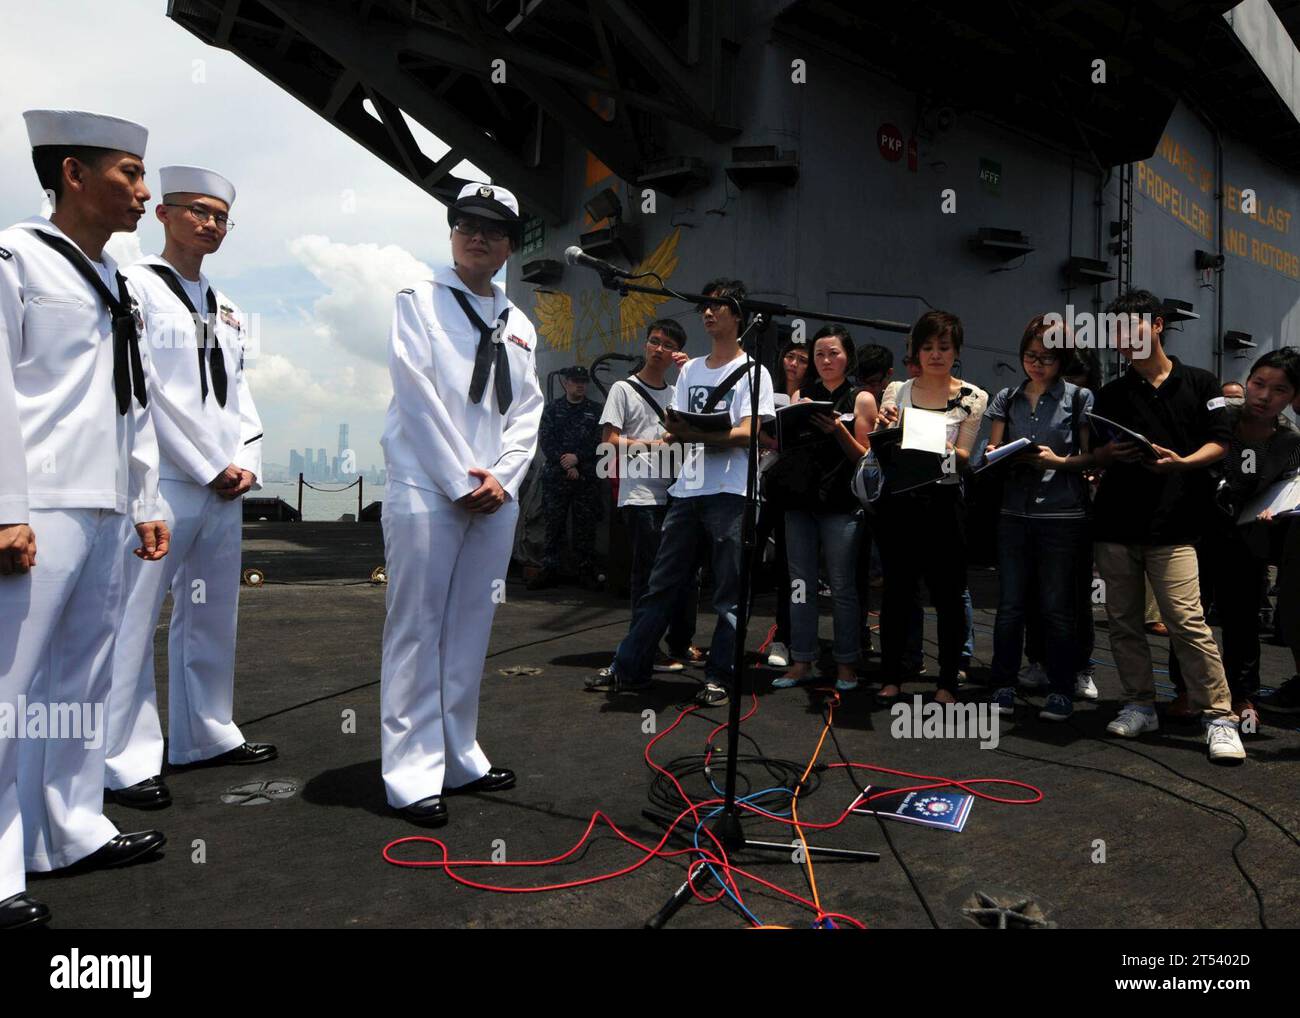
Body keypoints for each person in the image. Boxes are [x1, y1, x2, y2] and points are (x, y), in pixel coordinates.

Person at [0, 110, 171, 929]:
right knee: (9, 689)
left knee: (77, 685)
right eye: (129, 174)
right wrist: (4, 509)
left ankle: (67, 831)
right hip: (38, 504)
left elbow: (131, 403)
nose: (144, 191)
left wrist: (146, 499)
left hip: (104, 504)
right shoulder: (14, 258)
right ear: (73, 173)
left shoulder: (116, 280)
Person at [105, 166, 273, 812]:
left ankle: (205, 733)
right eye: (197, 211)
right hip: (165, 478)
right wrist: (209, 462)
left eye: (221, 217)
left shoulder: (226, 307)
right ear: (163, 216)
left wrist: (246, 458)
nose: (210, 224)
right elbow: (145, 387)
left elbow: (241, 392)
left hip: (225, 485)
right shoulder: (135, 289)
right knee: (133, 619)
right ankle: (122, 760)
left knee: (211, 614)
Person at [379, 182, 544, 826]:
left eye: (493, 230)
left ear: (508, 246)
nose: (478, 236)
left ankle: (457, 752)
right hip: (428, 486)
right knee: (417, 629)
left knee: (471, 626)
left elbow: (528, 409)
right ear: (452, 233)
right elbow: (414, 393)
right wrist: (460, 479)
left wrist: (502, 478)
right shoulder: (417, 300)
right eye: (466, 224)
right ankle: (410, 772)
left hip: (494, 494)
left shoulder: (520, 322)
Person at [589, 278, 775, 707]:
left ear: (738, 315)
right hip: (687, 491)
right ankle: (629, 666)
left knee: (729, 592)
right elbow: (681, 430)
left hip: (732, 491)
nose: (708, 313)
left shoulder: (755, 372)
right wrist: (684, 433)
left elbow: (750, 433)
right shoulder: (689, 370)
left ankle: (720, 676)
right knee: (662, 585)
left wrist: (694, 433)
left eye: (717, 306)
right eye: (704, 306)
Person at [1088, 289, 1243, 762]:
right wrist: (1105, 455)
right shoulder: (1110, 395)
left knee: (1187, 622)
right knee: (1123, 622)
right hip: (1116, 522)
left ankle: (1220, 717)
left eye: (1131, 327)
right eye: (1113, 333)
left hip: (1176, 526)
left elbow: (1222, 443)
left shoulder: (1201, 383)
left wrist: (1182, 463)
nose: (1122, 339)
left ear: (1156, 325)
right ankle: (1139, 703)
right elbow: (1096, 454)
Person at [1166, 349, 1300, 728]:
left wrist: (1278, 508)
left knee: (1242, 621)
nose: (1263, 396)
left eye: (1279, 389)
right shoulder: (1220, 416)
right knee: (1190, 616)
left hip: (1247, 538)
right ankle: (1186, 690)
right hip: (1196, 530)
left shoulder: (1290, 441)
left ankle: (1243, 696)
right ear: (1247, 381)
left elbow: (1288, 486)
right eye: (1258, 383)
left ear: (1292, 396)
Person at [985, 315, 1095, 722]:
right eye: (1031, 356)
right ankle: (1002, 684)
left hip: (1062, 513)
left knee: (1057, 606)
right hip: (1014, 511)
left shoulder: (1079, 399)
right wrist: (998, 458)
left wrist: (1058, 461)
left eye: (1048, 359)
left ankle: (1061, 688)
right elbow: (991, 450)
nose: (1037, 365)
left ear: (1062, 360)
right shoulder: (1006, 398)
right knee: (1011, 605)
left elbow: (1091, 457)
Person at [875, 311, 988, 704]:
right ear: (916, 352)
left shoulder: (973, 396)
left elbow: (964, 456)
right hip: (901, 501)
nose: (935, 354)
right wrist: (886, 426)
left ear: (956, 351)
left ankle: (947, 681)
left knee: (949, 594)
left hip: (944, 499)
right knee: (898, 593)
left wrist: (930, 441)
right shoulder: (897, 391)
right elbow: (885, 445)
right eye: (927, 347)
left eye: (944, 347)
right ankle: (891, 675)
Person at [771, 325, 875, 692]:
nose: (826, 360)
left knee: (843, 586)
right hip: (800, 499)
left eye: (833, 353)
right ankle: (802, 660)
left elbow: (865, 455)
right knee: (800, 583)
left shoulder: (861, 398)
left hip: (841, 503)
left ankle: (847, 664)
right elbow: (789, 445)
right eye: (819, 354)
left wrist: (838, 430)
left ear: (848, 355)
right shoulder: (803, 394)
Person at [597, 319, 701, 672]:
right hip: (641, 497)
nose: (659, 349)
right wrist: (652, 445)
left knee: (686, 574)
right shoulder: (622, 390)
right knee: (649, 576)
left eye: (668, 345)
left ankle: (680, 642)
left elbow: (698, 430)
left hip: (676, 494)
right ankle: (644, 647)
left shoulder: (677, 393)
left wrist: (690, 374)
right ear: (645, 344)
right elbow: (608, 443)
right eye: (655, 341)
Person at [758, 337, 813, 668]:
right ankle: (733, 639)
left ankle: (783, 638)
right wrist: (773, 441)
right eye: (790, 357)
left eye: (801, 359)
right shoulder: (768, 389)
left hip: (798, 488)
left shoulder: (813, 396)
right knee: (749, 557)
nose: (794, 363)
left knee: (789, 569)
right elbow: (754, 430)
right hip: (767, 482)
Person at [531, 365, 603, 590]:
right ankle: (551, 569)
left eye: (583, 381)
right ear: (565, 383)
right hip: (557, 477)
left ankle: (585, 571)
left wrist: (577, 459)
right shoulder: (552, 410)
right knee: (554, 525)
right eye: (575, 380)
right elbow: (546, 441)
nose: (580, 384)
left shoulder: (597, 411)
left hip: (586, 477)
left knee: (585, 526)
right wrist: (566, 463)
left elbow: (600, 441)